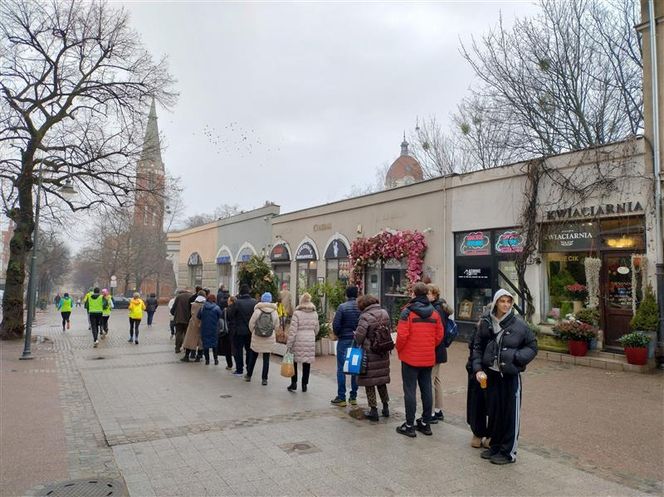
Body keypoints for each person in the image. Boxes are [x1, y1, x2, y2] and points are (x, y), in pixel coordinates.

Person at [471, 289, 538, 465]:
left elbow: (532, 346)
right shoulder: (486, 322)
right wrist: (478, 368)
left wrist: (517, 358)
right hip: (491, 374)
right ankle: (495, 446)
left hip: (509, 376)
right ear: (495, 302)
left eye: (509, 301)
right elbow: (477, 347)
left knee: (510, 414)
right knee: (494, 413)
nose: (506, 305)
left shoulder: (519, 324)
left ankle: (508, 452)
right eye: (502, 301)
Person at [395, 281, 444, 438]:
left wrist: (400, 349)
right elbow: (439, 336)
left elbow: (402, 336)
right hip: (428, 357)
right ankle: (425, 423)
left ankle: (409, 425)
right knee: (426, 389)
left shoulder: (407, 312)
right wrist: (428, 346)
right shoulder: (434, 313)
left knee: (410, 391)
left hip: (410, 358)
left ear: (414, 294)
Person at [354, 294, 391, 422]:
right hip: (383, 352)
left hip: (369, 354)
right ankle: (386, 407)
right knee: (381, 381)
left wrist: (355, 335)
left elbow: (359, 337)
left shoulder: (365, 317)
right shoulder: (384, 313)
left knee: (370, 382)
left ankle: (373, 410)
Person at [427, 284, 454, 424]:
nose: (426, 295)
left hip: (435, 349)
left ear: (434, 295)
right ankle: (438, 410)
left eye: (429, 293)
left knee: (430, 380)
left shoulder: (435, 309)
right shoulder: (441, 306)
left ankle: (431, 412)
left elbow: (438, 331)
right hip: (440, 349)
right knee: (436, 379)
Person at [331, 285, 361, 407]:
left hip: (344, 340)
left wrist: (339, 334)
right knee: (355, 368)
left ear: (346, 294)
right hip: (357, 340)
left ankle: (341, 396)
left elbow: (336, 325)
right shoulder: (361, 308)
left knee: (341, 368)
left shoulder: (342, 307)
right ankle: (353, 396)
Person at [286, 292, 318, 393]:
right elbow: (316, 329)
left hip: (298, 339)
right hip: (310, 339)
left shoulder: (297, 313)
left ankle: (294, 383)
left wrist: (289, 344)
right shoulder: (314, 313)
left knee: (294, 361)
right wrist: (311, 336)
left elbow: (293, 330)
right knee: (307, 362)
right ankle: (304, 384)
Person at [466, 321, 490, 449]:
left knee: (480, 403)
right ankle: (482, 434)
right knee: (482, 403)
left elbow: (472, 347)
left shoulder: (479, 327)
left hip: (481, 370)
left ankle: (480, 434)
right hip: (480, 370)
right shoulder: (481, 328)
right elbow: (474, 348)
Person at [246, 292, 279, 385]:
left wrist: (254, 332)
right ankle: (264, 379)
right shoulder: (274, 312)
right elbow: (277, 326)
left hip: (257, 337)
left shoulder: (257, 310)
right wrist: (271, 332)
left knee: (253, 357)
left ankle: (249, 375)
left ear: (262, 299)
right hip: (269, 337)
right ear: (270, 300)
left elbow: (251, 324)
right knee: (266, 359)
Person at [227, 284, 257, 377]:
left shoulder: (237, 302)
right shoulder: (254, 302)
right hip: (250, 331)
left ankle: (239, 369)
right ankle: (249, 368)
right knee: (249, 350)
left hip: (238, 331)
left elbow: (230, 315)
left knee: (238, 350)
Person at [181, 291, 205, 362]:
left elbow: (191, 313)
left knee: (190, 340)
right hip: (202, 324)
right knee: (200, 341)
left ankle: (187, 356)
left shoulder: (193, 304)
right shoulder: (205, 305)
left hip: (193, 323)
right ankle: (199, 356)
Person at [198, 293, 222, 365]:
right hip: (214, 328)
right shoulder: (217, 308)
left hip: (204, 328)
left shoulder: (202, 307)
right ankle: (215, 359)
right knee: (214, 344)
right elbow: (220, 316)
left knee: (205, 345)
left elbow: (199, 316)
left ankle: (207, 360)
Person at [172, 288, 193, 353]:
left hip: (179, 318)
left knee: (178, 333)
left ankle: (177, 348)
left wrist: (173, 313)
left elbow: (174, 307)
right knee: (186, 333)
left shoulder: (179, 297)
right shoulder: (191, 297)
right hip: (188, 318)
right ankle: (186, 348)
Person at [218, 296, 235, 370]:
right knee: (236, 349)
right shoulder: (238, 310)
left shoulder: (225, 310)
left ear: (231, 302)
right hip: (235, 331)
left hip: (227, 332)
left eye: (228, 301)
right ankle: (238, 366)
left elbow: (221, 321)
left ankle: (229, 365)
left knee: (227, 349)